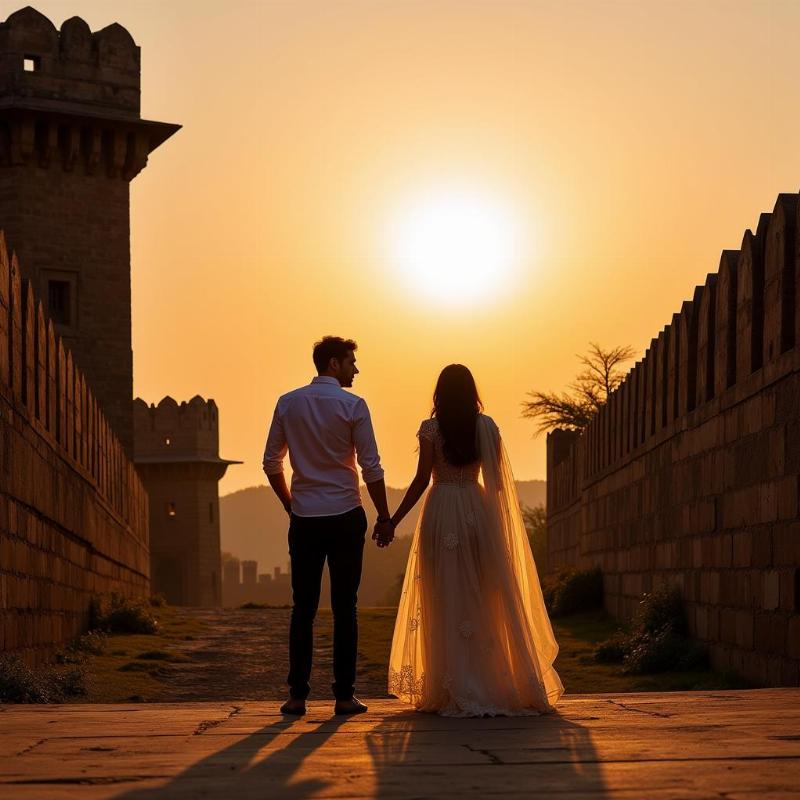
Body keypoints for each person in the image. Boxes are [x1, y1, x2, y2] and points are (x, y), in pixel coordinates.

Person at [380, 364, 563, 716]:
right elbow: (497, 485)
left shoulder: (431, 428)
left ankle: (449, 682)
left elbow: (421, 480)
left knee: (443, 595)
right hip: (476, 512)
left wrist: (392, 520)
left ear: (440, 393)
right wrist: (497, 529)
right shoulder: (487, 426)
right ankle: (488, 677)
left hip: (442, 508)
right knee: (482, 596)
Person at [263, 336, 394, 716]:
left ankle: (297, 696)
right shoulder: (353, 405)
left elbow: (272, 462)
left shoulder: (288, 403)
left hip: (305, 517)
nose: (356, 369)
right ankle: (343, 695)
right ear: (334, 364)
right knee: (344, 607)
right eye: (352, 362)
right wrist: (384, 517)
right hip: (344, 515)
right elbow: (371, 466)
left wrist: (291, 504)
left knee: (302, 607)